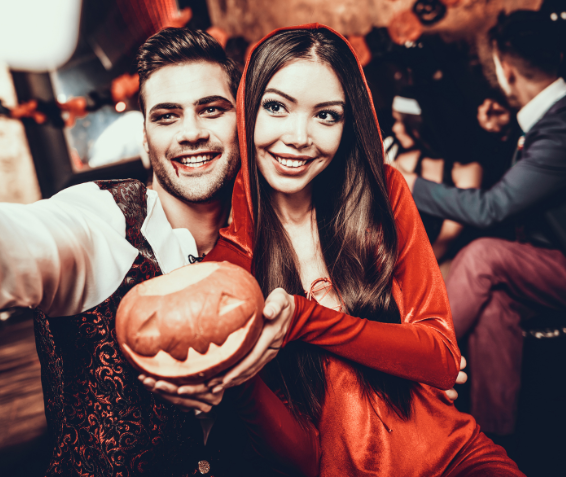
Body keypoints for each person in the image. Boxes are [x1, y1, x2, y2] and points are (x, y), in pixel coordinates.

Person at [0, 28, 251, 476]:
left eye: (212, 110)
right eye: (166, 116)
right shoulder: (100, 222)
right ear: (145, 135)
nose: (191, 133)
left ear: (242, 122)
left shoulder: (270, 241)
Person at [155, 24, 522, 476]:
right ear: (247, 111)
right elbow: (305, 461)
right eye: (276, 108)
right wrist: (237, 379)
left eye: (326, 115)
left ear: (348, 123)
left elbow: (442, 359)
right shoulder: (228, 267)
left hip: (459, 458)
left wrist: (305, 318)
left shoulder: (383, 195)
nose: (298, 136)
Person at [396, 10, 566, 438]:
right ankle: (492, 448)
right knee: (493, 311)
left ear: (505, 70)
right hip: (557, 260)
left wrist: (410, 182)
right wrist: (508, 129)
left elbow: (494, 207)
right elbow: (541, 175)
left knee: (481, 256)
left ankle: (409, 373)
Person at [386, 85, 483, 265]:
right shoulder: (401, 159)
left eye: (402, 121)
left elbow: (448, 236)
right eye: (394, 120)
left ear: (422, 123)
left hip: (440, 264)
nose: (395, 128)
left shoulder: (467, 170)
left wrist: (415, 269)